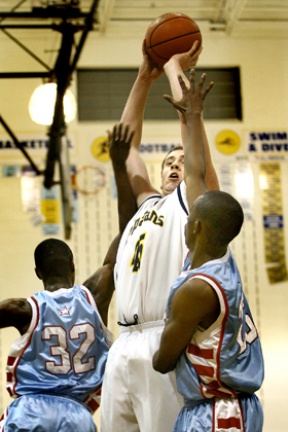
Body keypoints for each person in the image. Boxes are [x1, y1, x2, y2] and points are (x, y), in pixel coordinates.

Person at [100, 41, 219, 432]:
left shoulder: (193, 201)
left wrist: (172, 67)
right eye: (169, 161)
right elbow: (128, 146)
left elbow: (193, 129)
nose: (175, 165)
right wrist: (142, 77)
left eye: (182, 161)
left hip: (162, 337)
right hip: (123, 343)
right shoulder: (148, 202)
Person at [0, 124, 136, 432]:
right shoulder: (95, 294)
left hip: (29, 413)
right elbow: (129, 232)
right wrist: (118, 163)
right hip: (77, 417)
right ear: (73, 265)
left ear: (38, 272)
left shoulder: (22, 309)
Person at [153, 70, 264, 431]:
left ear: (196, 225)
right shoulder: (219, 258)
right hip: (222, 405)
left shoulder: (197, 288)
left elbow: (162, 360)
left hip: (219, 410)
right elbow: (197, 175)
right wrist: (193, 115)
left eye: (190, 216)